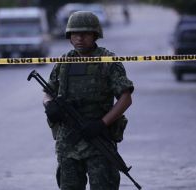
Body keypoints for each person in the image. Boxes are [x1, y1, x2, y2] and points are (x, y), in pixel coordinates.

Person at [43, 11, 134, 190]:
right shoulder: (63, 62)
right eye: (75, 34)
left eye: (85, 33)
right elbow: (47, 91)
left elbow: (126, 98)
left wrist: (101, 123)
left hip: (97, 140)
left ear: (95, 35)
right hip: (68, 143)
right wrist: (49, 106)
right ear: (69, 36)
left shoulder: (108, 61)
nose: (79, 38)